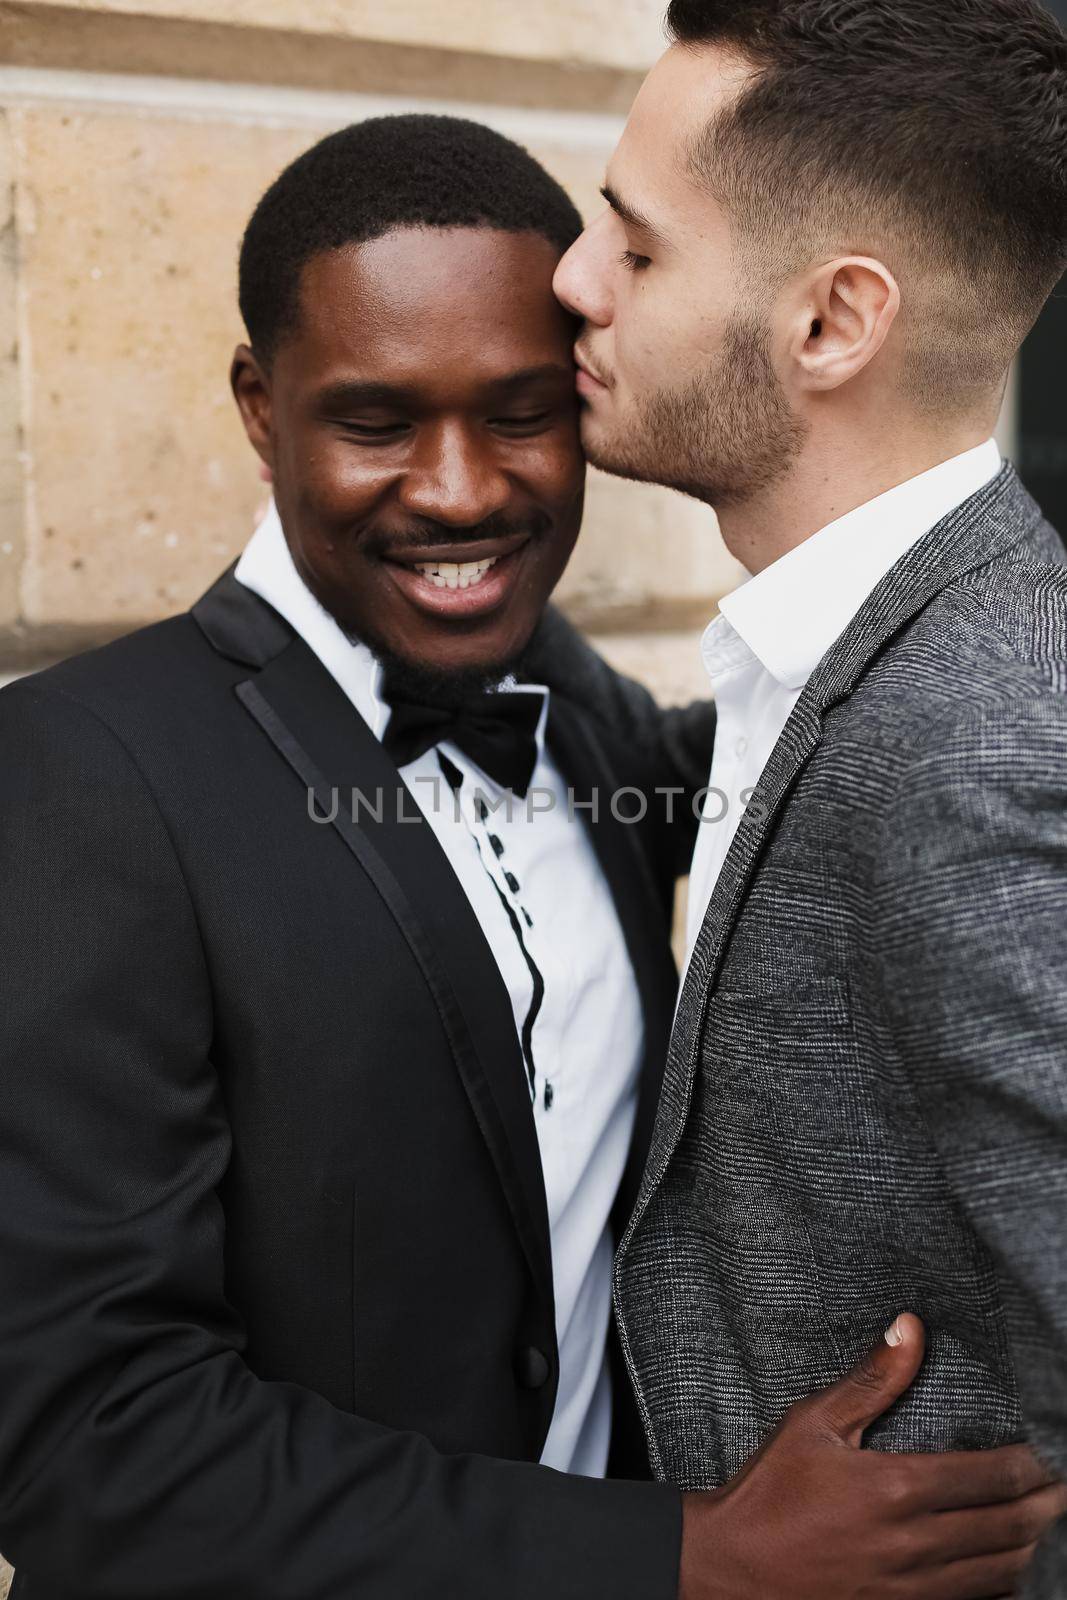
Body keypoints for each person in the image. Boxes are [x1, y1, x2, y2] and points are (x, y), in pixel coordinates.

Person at [0, 114, 1059, 1600]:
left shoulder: (564, 697)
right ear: (261, 406)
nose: (459, 493)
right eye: (376, 421)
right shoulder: (73, 776)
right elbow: (92, 1449)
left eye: (517, 413)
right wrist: (685, 1558)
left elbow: (837, 772)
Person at [550, 0, 1067, 1593]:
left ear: (833, 323)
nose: (573, 281)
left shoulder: (977, 739)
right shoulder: (850, 647)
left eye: (636, 251)